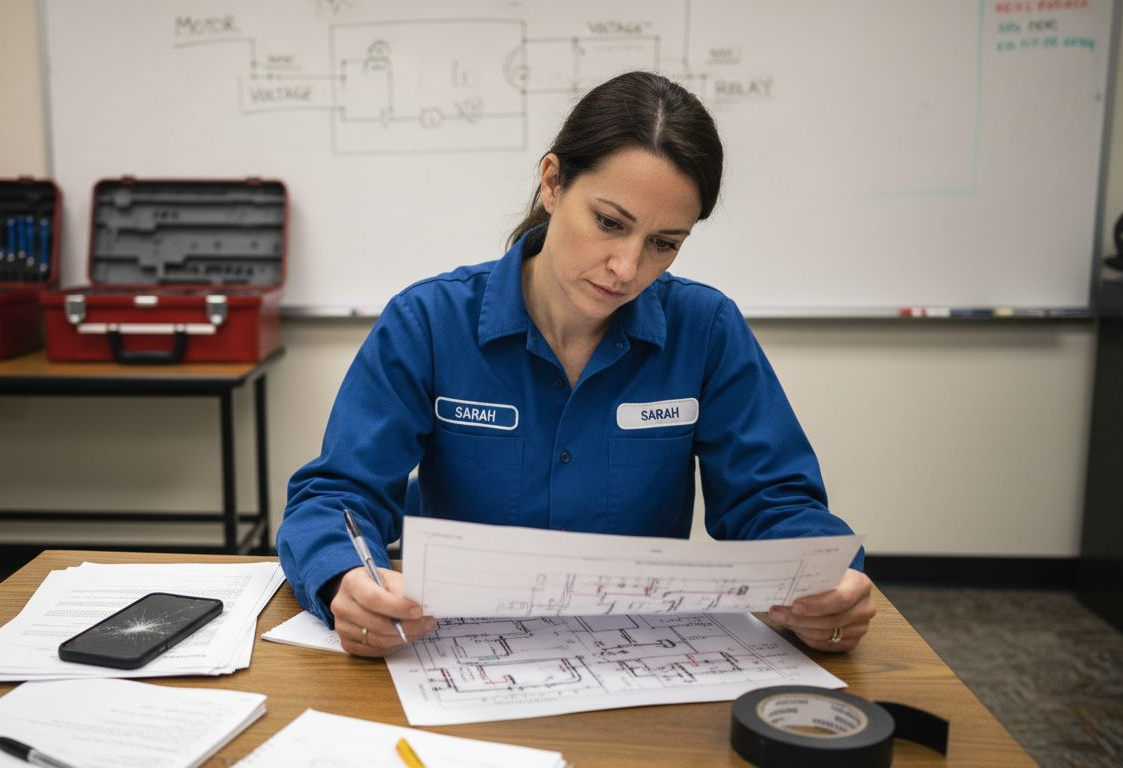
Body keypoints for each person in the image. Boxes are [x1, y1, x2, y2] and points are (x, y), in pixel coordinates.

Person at [277, 71, 875, 658]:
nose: (626, 267)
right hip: (458, 653)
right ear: (553, 183)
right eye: (609, 223)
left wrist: (826, 580)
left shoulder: (707, 330)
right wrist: (344, 581)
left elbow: (774, 502)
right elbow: (337, 494)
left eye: (664, 243)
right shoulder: (429, 323)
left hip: (639, 655)